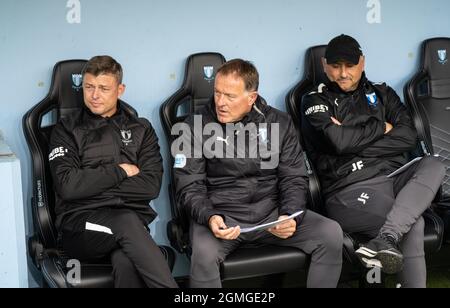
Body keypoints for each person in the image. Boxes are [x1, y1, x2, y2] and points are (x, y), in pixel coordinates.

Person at [173, 59, 343, 288]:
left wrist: (290, 215)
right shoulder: (193, 126)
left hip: (271, 215)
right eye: (217, 93)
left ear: (251, 97)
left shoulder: (279, 123)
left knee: (330, 233)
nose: (220, 102)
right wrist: (210, 217)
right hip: (222, 218)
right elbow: (188, 185)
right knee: (203, 253)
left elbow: (294, 176)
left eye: (230, 96)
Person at [301, 34, 446, 287]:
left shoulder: (382, 92)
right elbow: (339, 142)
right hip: (348, 190)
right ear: (325, 65)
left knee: (434, 164)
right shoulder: (314, 99)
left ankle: (386, 237)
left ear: (362, 63)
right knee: (413, 223)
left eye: (350, 65)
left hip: (392, 178)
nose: (343, 73)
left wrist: (352, 139)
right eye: (335, 66)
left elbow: (408, 136)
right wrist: (382, 127)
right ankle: (389, 236)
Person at [49, 55, 177, 288]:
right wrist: (120, 171)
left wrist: (90, 184)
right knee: (126, 221)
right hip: (80, 226)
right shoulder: (66, 129)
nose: (94, 95)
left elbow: (150, 186)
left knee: (126, 262)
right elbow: (68, 186)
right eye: (89, 87)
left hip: (128, 229)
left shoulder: (141, 129)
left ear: (120, 89)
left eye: (103, 88)